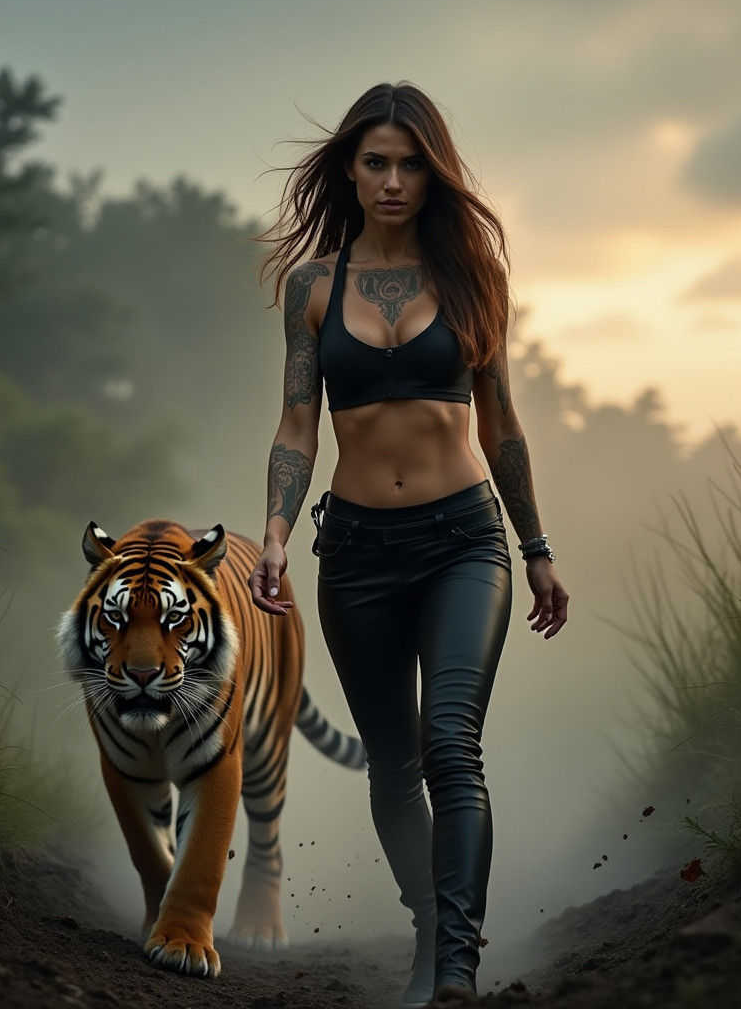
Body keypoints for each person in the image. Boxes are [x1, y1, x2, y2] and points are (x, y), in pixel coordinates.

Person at [248, 81, 569, 1007]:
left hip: (463, 540)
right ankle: (430, 927)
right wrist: (274, 534)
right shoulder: (313, 287)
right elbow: (297, 426)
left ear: (436, 174)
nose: (394, 181)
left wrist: (536, 545)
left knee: (450, 746)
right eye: (377, 163)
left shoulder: (474, 280)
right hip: (354, 554)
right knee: (392, 764)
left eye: (412, 164)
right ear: (349, 172)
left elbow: (502, 424)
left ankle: (457, 968)